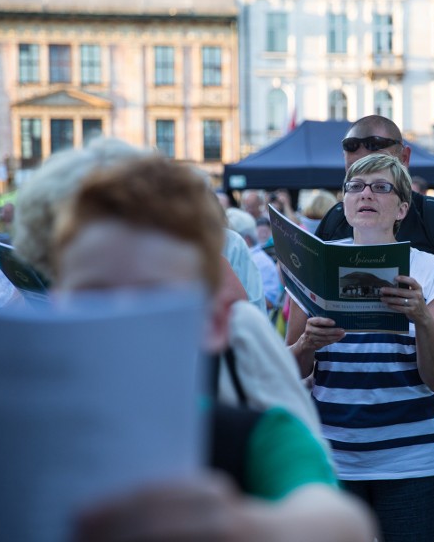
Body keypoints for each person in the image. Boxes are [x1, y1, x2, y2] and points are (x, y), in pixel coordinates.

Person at [48, 155, 376, 542]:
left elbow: (339, 520)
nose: (122, 318)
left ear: (217, 323)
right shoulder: (23, 426)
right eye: (95, 295)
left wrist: (248, 525)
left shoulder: (253, 436)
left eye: (155, 295)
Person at [310, 114, 434, 488]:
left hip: (414, 443)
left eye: (377, 148)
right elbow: (296, 355)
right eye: (352, 148)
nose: (363, 153)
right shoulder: (329, 231)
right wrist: (307, 340)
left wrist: (427, 316)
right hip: (335, 444)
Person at [288, 153, 434, 542]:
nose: (366, 194)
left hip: (414, 462)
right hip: (332, 457)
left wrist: (422, 320)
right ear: (344, 202)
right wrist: (306, 343)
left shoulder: (431, 270)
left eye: (381, 187)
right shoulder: (313, 266)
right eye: (356, 187)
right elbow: (290, 369)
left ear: (401, 207)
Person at [227, 207, 282, 311]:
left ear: (246, 238)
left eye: (231, 236)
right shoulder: (255, 257)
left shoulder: (259, 260)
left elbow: (270, 301)